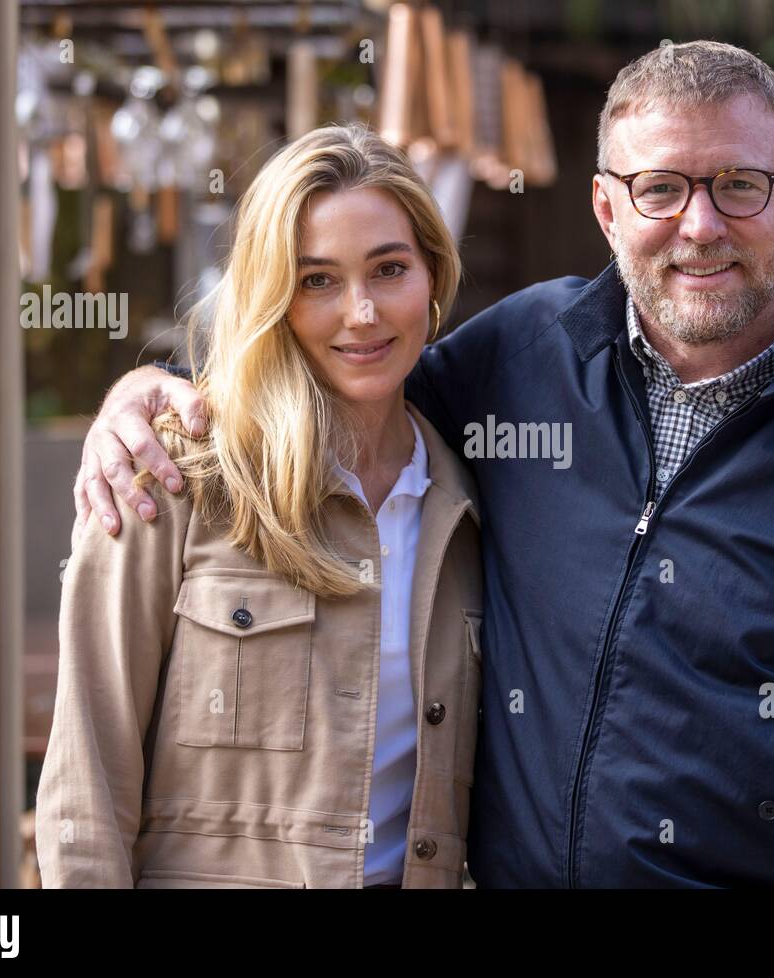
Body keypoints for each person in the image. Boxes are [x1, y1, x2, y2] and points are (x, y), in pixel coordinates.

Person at [74, 41, 774, 888]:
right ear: (608, 207)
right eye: (660, 188)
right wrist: (155, 390)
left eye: (739, 184)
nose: (699, 226)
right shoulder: (523, 355)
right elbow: (339, 360)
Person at [37, 124, 484, 888]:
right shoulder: (173, 475)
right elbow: (87, 779)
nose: (362, 312)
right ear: (271, 294)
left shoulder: (472, 507)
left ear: (433, 276)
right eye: (316, 280)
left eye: (389, 269)